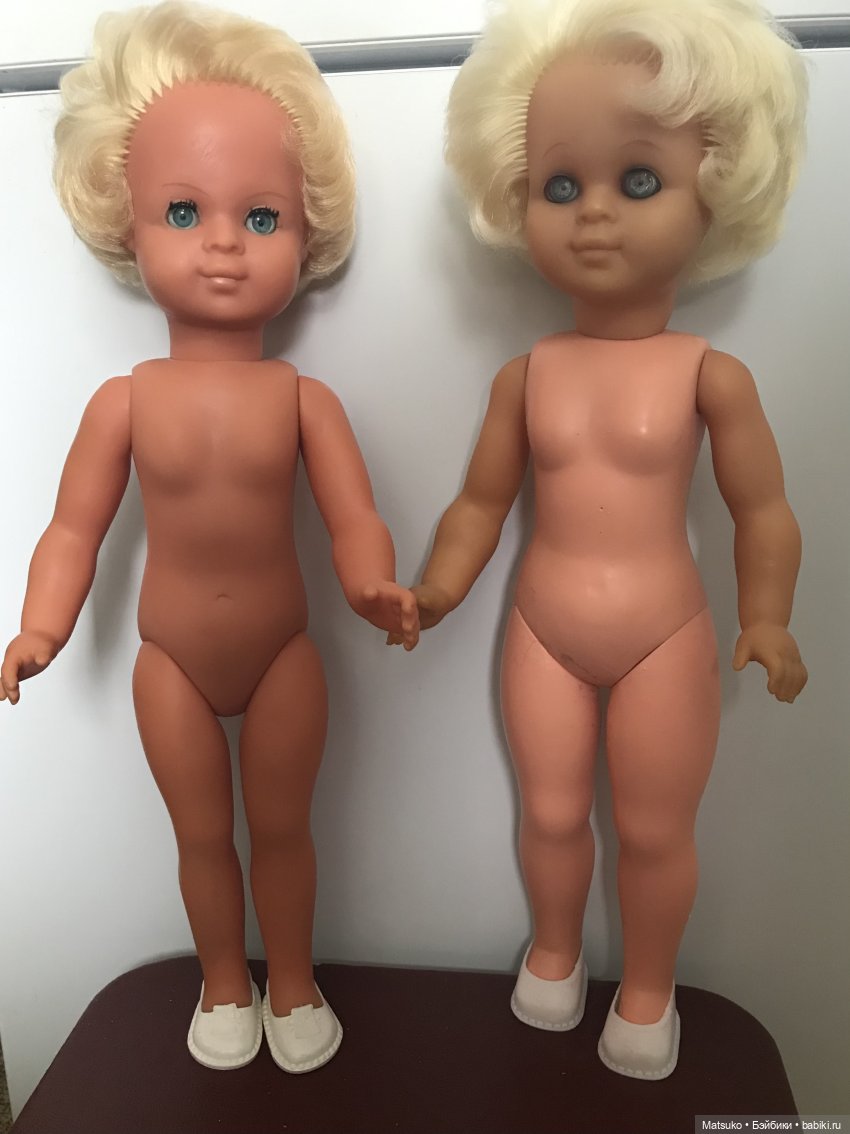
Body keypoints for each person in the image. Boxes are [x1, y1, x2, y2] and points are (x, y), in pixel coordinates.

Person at [1, 1, 418, 1074]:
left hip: (284, 654)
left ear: (307, 233)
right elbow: (73, 527)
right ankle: (224, 980)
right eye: (184, 211)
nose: (224, 243)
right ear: (126, 227)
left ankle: (294, 979)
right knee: (199, 835)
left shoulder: (304, 399)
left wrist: (372, 584)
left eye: (261, 216)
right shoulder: (124, 402)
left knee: (283, 829)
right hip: (171, 663)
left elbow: (354, 517)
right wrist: (40, 627)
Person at [396, 0, 808, 1078]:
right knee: (548, 810)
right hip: (542, 629)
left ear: (717, 189)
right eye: (558, 186)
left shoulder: (708, 375)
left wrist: (767, 617)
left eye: (637, 180)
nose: (592, 216)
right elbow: (479, 505)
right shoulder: (526, 375)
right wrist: (435, 590)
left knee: (656, 829)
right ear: (516, 197)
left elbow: (763, 509)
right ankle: (553, 950)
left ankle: (649, 988)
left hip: (664, 634)